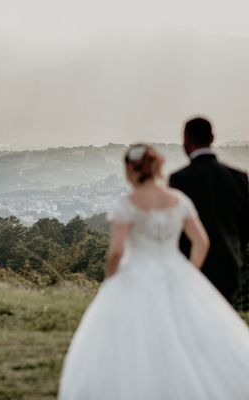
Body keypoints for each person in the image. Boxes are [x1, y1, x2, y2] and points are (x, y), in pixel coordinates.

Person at [58, 144, 249, 400]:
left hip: (136, 273)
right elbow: (201, 242)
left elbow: (115, 252)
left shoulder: (126, 203)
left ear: (129, 169)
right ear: (158, 165)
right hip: (176, 270)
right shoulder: (178, 200)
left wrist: (110, 279)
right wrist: (189, 272)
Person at [169, 116, 249, 303]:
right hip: (228, 267)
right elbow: (246, 226)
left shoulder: (179, 180)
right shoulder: (238, 177)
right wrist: (236, 251)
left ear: (186, 141)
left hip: (190, 266)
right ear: (212, 138)